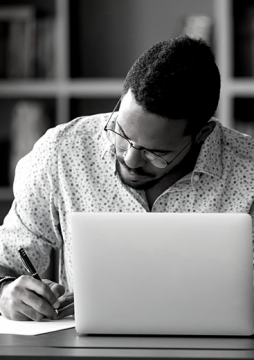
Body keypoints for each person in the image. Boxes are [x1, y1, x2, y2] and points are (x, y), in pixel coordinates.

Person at [1, 35, 254, 321]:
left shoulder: (248, 172)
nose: (130, 159)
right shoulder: (63, 150)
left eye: (155, 152)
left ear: (202, 135)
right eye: (122, 134)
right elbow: (6, 258)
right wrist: (5, 291)